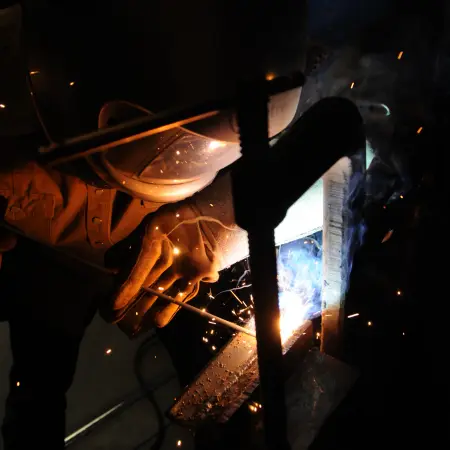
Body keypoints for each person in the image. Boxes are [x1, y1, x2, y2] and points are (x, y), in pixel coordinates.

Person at [0, 1, 309, 447]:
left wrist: (214, 224)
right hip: (53, 260)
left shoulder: (261, 46)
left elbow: (315, 137)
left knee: (226, 389)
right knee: (37, 394)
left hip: (173, 245)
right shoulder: (20, 66)